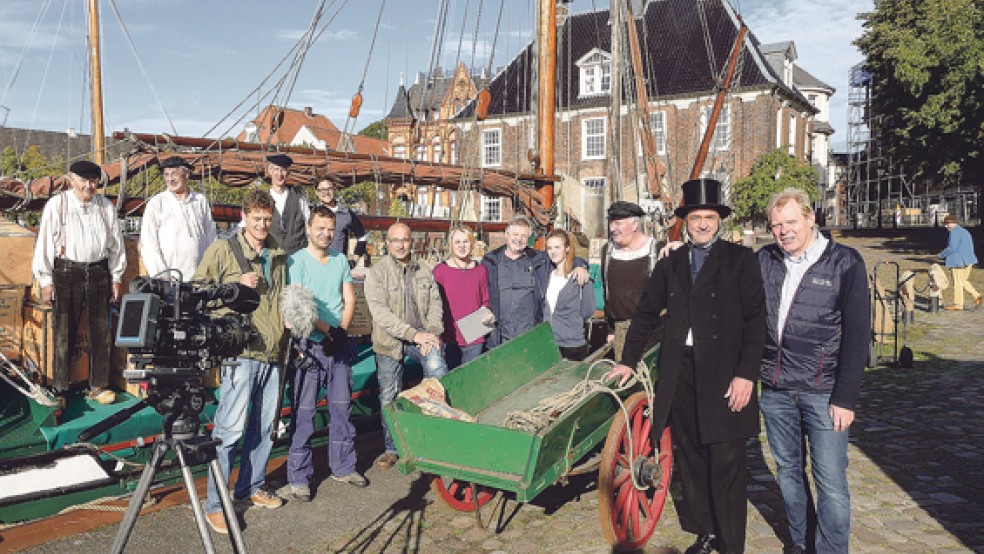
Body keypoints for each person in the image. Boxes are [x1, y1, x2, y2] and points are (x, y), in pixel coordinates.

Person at [609, 178, 766, 554]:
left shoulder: (741, 261)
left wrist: (746, 374)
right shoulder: (673, 262)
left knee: (726, 463)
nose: (702, 224)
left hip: (727, 374)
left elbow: (757, 320)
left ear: (719, 220)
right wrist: (628, 361)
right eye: (696, 218)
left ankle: (731, 546)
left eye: (709, 217)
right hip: (682, 372)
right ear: (686, 221)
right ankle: (706, 533)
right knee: (693, 459)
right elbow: (646, 313)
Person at [757, 187, 870, 554]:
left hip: (823, 393)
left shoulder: (845, 263)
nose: (783, 231)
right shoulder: (765, 260)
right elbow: (724, 277)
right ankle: (802, 544)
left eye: (790, 222)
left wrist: (845, 397)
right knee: (789, 475)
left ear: (810, 218)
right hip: (776, 391)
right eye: (776, 225)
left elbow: (856, 335)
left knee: (831, 481)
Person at [195, 189, 287, 534]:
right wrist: (234, 285)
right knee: (229, 431)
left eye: (267, 219)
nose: (263, 224)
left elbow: (279, 297)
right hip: (240, 354)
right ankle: (216, 504)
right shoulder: (222, 250)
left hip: (273, 352)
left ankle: (251, 486)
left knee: (264, 429)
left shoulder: (278, 252)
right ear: (244, 219)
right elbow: (198, 294)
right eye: (257, 219)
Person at [285, 205, 368, 502]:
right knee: (305, 411)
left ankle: (344, 466)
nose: (325, 233)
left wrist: (342, 330)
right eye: (320, 228)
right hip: (310, 343)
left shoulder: (339, 261)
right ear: (309, 228)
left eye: (330, 229)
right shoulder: (296, 262)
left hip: (339, 343)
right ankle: (299, 475)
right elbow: (298, 304)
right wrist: (326, 330)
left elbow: (348, 297)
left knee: (342, 408)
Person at [32, 160, 125, 404]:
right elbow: (44, 244)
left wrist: (116, 277)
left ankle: (98, 385)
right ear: (71, 179)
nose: (88, 186)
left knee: (101, 331)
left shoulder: (105, 207)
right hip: (66, 271)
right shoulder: (58, 205)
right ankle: (60, 387)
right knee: (64, 331)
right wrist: (45, 280)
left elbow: (117, 245)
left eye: (93, 181)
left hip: (99, 271)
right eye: (83, 180)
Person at [363, 222, 449, 468]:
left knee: (438, 373)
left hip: (422, 335)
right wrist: (414, 336)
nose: (400, 245)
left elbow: (435, 305)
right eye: (395, 240)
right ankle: (392, 448)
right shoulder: (377, 273)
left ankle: (436, 438)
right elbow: (381, 315)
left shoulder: (424, 270)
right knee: (389, 394)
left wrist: (431, 334)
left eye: (405, 240)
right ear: (387, 244)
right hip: (390, 341)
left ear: (412, 242)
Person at [481, 215, 589, 348]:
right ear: (506, 234)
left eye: (524, 236)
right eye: (515, 234)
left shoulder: (539, 260)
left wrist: (580, 265)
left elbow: (562, 256)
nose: (519, 239)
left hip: (530, 335)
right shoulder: (490, 261)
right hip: (500, 335)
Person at [601, 200, 663, 360]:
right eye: (611, 223)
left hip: (653, 332)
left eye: (618, 224)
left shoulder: (657, 250)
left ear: (635, 225)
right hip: (621, 331)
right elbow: (606, 293)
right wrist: (610, 330)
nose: (613, 229)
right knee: (626, 383)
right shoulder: (607, 251)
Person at [139, 156, 217, 281]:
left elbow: (210, 237)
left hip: (199, 277)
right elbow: (149, 243)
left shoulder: (200, 201)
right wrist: (162, 276)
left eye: (174, 174)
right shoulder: (157, 203)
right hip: (169, 278)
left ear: (187, 174)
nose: (170, 179)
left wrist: (210, 270)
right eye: (166, 174)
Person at [432, 225, 492, 369]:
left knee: (472, 377)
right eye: (457, 242)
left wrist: (487, 311)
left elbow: (486, 299)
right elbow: (433, 304)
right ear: (451, 245)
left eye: (465, 242)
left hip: (475, 333)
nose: (462, 246)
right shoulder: (440, 271)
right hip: (450, 334)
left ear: (471, 244)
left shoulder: (481, 270)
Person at [544, 230, 596, 361]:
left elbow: (588, 310)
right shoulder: (547, 275)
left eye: (557, 247)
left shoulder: (580, 277)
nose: (553, 251)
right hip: (548, 343)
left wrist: (571, 324)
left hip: (571, 345)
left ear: (567, 249)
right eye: (549, 248)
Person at [313, 177, 368, 261]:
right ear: (317, 193)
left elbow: (362, 236)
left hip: (338, 264)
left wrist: (355, 259)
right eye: (322, 190)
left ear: (334, 190)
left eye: (329, 189)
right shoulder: (311, 213)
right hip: (315, 264)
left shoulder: (346, 213)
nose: (326, 193)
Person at [265, 153, 309, 255]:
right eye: (276, 169)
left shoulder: (299, 198)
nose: (279, 174)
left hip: (298, 255)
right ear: (270, 171)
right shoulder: (263, 199)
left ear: (288, 173)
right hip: (272, 256)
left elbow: (308, 226)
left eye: (283, 170)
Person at [938, 214, 980, 310]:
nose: (946, 226)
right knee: (963, 281)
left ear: (952, 223)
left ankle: (958, 304)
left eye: (947, 224)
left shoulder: (955, 233)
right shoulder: (964, 231)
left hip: (958, 261)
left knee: (957, 283)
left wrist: (941, 255)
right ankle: (977, 296)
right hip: (968, 260)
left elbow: (952, 248)